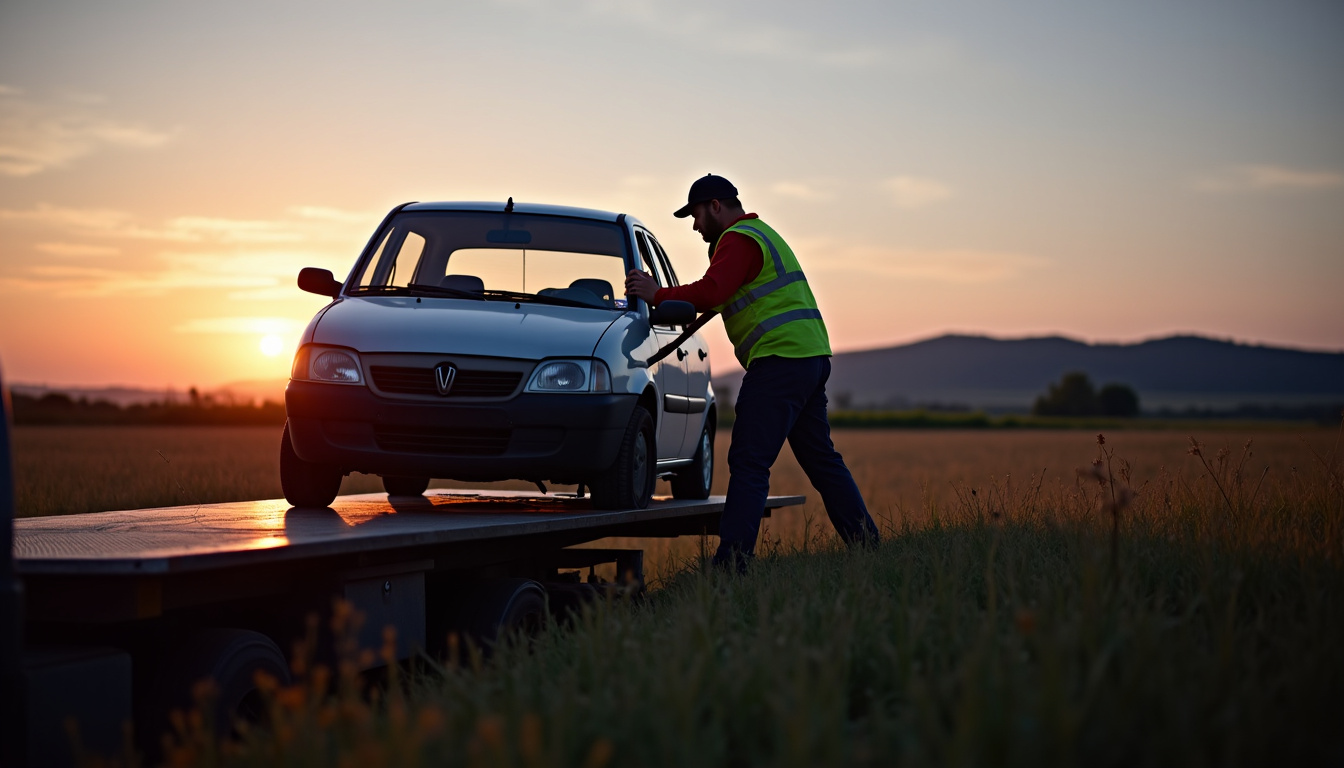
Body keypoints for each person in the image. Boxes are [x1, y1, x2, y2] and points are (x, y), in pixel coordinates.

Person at [625, 174, 880, 571]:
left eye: (694, 215)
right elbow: (718, 298)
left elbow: (711, 292)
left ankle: (732, 562)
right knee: (822, 460)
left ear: (714, 206)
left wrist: (655, 294)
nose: (694, 226)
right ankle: (868, 546)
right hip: (810, 358)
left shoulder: (739, 239)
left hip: (780, 361)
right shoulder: (762, 235)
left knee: (748, 460)